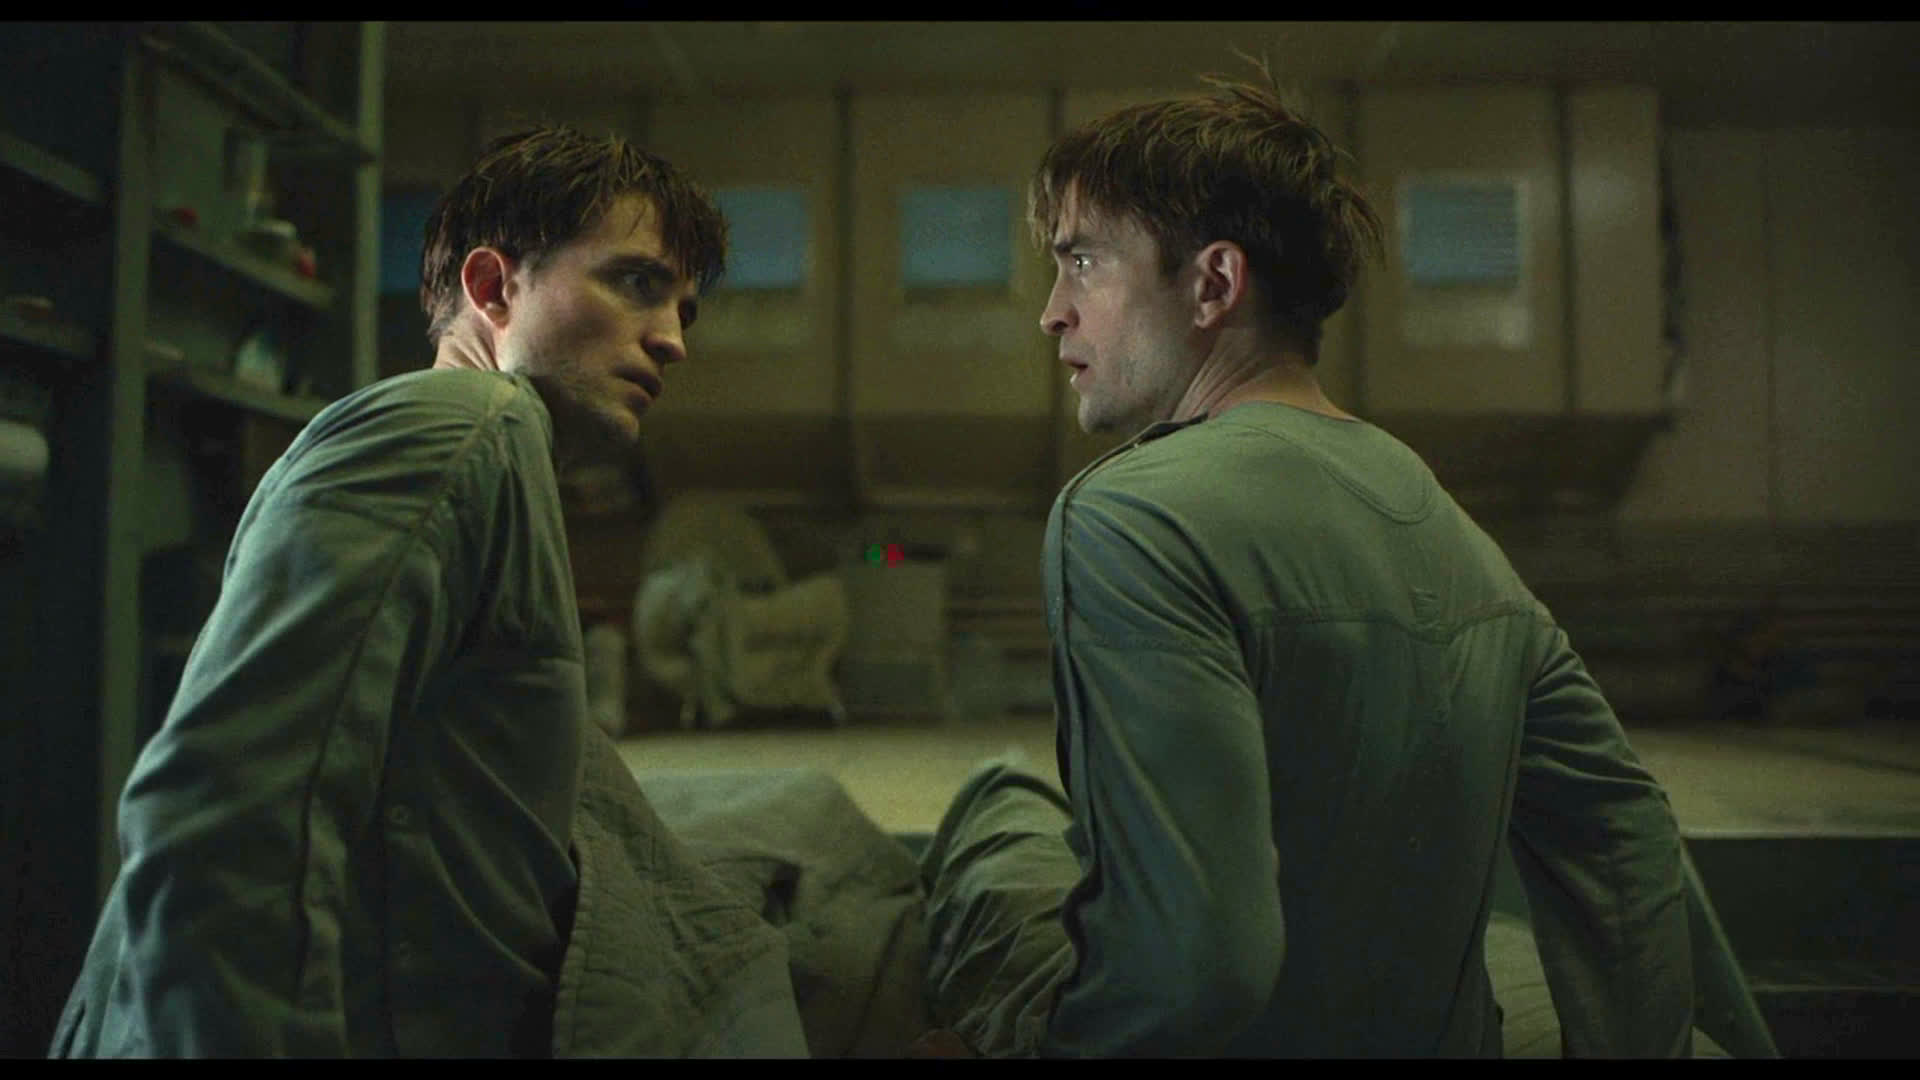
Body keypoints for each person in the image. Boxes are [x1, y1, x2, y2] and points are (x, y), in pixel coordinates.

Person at [916, 65, 1699, 1057]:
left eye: (1083, 262)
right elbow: (1624, 835)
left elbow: (1199, 966)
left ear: (1213, 284)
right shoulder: (1454, 532)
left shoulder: (1130, 517)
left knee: (995, 808)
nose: (1052, 311)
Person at [49, 126, 808, 1057]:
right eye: (637, 284)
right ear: (494, 289)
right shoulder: (460, 427)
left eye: (685, 309)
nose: (674, 340)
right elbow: (228, 817)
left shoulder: (496, 453)